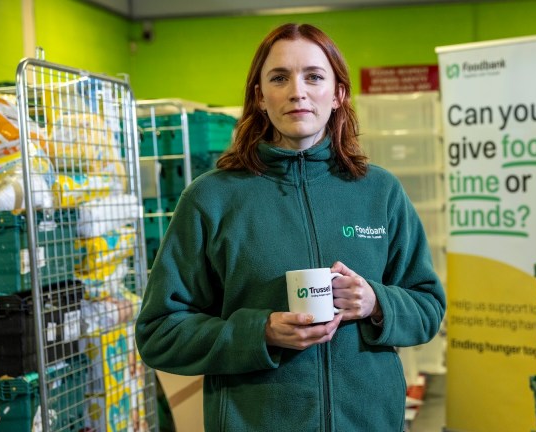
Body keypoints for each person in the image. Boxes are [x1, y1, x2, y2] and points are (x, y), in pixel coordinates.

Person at [135, 22, 446, 432]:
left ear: (337, 95)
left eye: (314, 76)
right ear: (260, 97)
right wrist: (259, 333)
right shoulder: (211, 198)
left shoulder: (379, 191)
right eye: (279, 78)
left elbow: (428, 307)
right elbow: (159, 333)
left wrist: (375, 302)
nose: (297, 91)